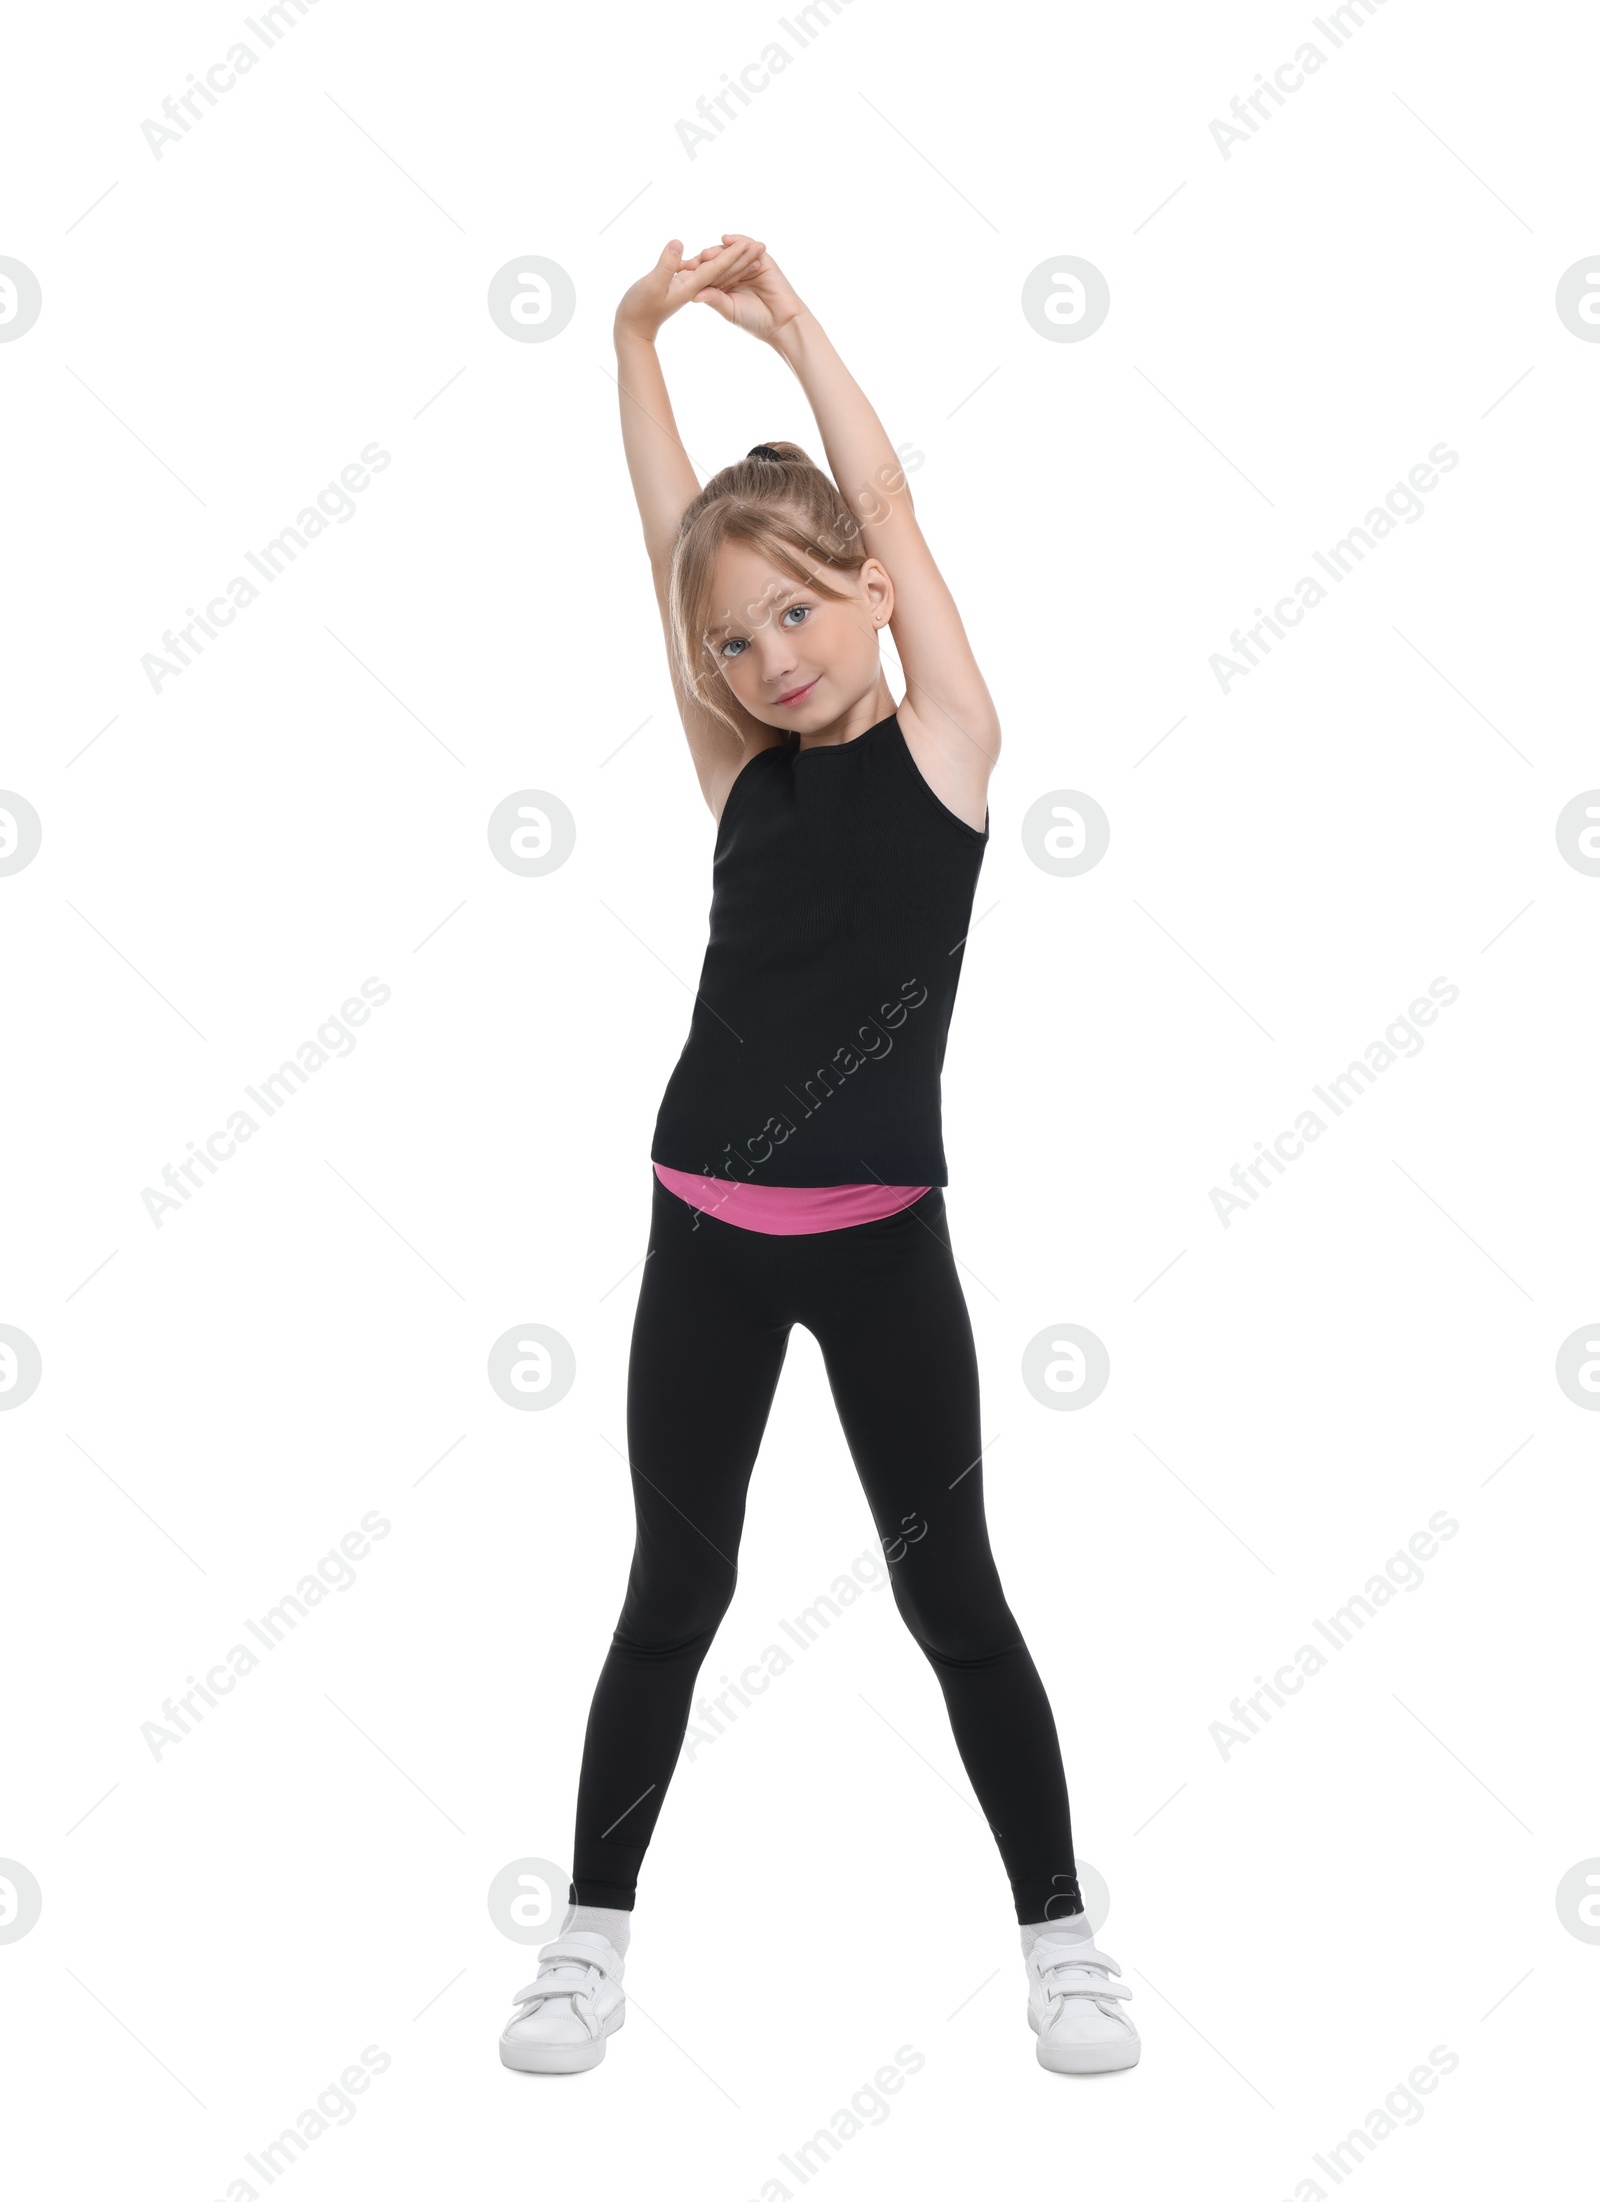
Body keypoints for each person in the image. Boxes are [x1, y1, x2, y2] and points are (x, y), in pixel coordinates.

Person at [498, 235, 1139, 2078]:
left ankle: (1066, 1936)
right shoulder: (738, 774)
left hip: (879, 1250)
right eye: (732, 637)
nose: (761, 658)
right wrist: (631, 343)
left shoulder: (948, 748)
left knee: (956, 1596)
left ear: (869, 596)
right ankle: (589, 1941)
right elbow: (660, 548)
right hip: (701, 1233)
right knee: (671, 1592)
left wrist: (790, 335)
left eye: (794, 613)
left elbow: (882, 493)